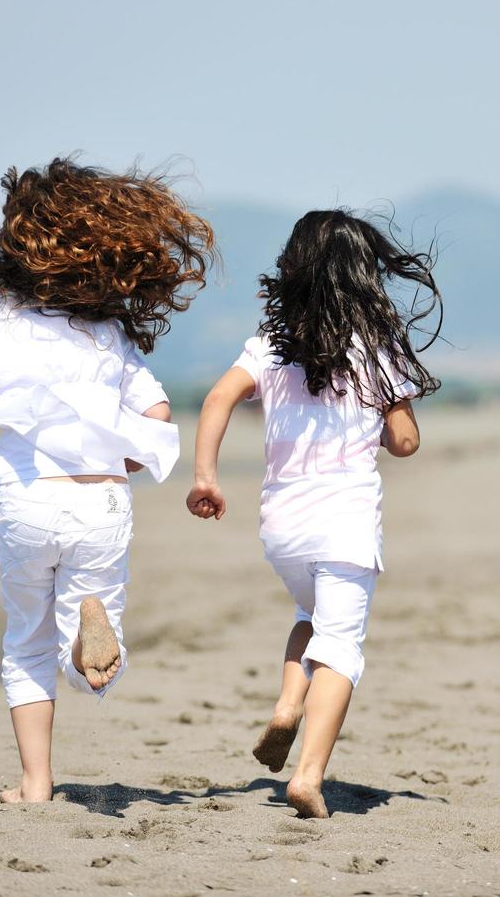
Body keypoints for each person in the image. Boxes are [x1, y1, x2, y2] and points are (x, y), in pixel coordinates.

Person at [0, 157, 214, 804]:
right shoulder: (107, 336)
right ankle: (91, 648)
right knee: (98, 656)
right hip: (101, 502)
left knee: (24, 642)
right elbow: (157, 412)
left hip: (29, 501)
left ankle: (35, 784)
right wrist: (119, 456)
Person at [185, 209, 441, 818]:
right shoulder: (376, 348)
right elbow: (405, 442)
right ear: (362, 272)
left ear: (294, 268)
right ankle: (308, 774)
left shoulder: (270, 343)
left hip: (283, 526)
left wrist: (205, 477)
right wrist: (378, 424)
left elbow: (219, 397)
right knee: (342, 645)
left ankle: (284, 706)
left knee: (310, 615)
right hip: (344, 521)